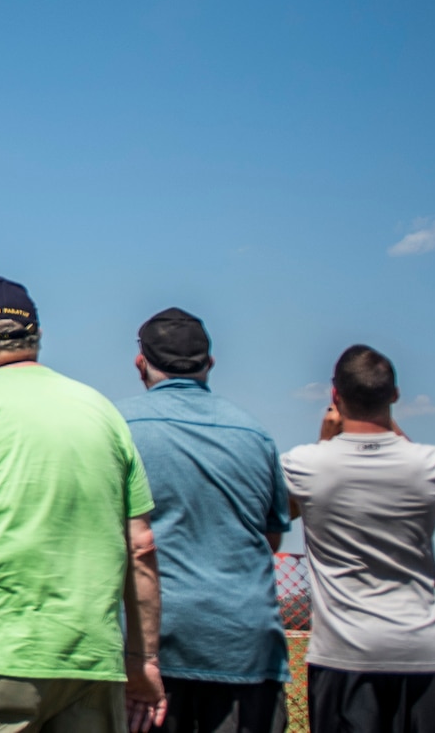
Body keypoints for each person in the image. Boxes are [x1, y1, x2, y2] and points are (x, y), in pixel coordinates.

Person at [0, 276, 163, 733]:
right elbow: (140, 546)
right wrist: (144, 660)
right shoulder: (101, 409)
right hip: (92, 662)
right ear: (37, 336)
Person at [116, 308, 292, 733]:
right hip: (245, 645)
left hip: (149, 645)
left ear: (140, 364)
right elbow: (271, 537)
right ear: (209, 363)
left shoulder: (117, 426)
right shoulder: (255, 434)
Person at [282, 345, 435, 733]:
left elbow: (288, 512)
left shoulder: (304, 464)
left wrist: (326, 443)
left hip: (343, 656)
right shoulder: (431, 463)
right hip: (422, 653)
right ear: (395, 395)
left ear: (335, 395)